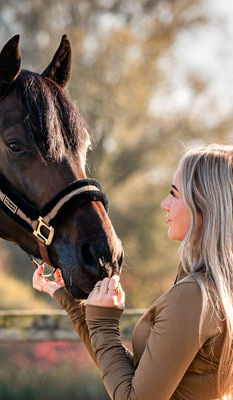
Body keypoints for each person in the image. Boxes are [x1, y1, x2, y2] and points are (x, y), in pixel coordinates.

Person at [32, 144, 233, 399]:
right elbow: (133, 380)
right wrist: (76, 305)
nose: (164, 204)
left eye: (174, 194)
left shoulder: (195, 295)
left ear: (203, 206)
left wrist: (104, 324)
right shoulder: (213, 289)